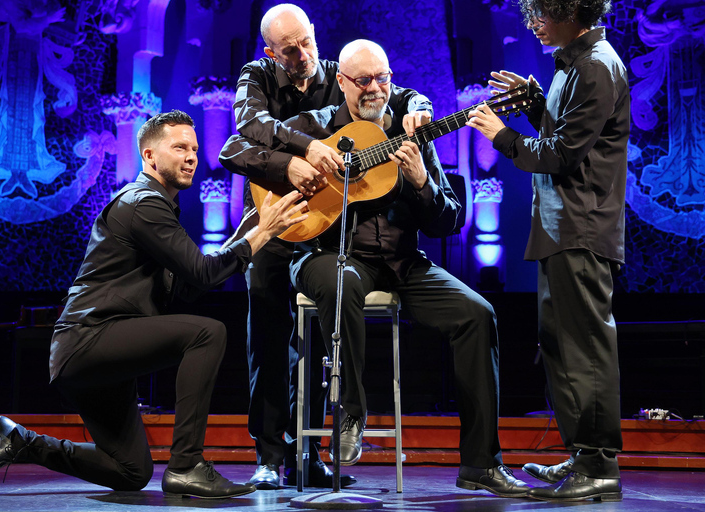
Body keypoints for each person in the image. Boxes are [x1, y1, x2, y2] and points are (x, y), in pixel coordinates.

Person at [224, 38, 529, 498]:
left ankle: (481, 463)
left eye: (382, 78)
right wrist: (294, 162)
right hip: (329, 255)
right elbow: (237, 146)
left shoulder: (412, 131)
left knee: (478, 314)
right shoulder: (316, 124)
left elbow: (449, 220)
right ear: (341, 82)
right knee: (340, 281)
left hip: (403, 263)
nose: (374, 88)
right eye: (362, 80)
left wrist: (422, 183)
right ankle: (350, 412)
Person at [0, 110, 308, 499]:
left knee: (130, 470)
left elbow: (187, 287)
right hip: (88, 341)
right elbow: (203, 272)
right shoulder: (142, 202)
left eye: (195, 148)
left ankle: (16, 440)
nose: (192, 156)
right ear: (149, 156)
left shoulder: (158, 206)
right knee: (207, 333)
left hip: (98, 354)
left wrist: (249, 232)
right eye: (179, 147)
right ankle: (186, 465)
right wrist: (262, 231)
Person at [218, 3, 432, 490]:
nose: (302, 55)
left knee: (318, 345)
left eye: (307, 42)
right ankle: (270, 454)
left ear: (315, 34)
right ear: (271, 52)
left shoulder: (339, 75)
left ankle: (309, 454)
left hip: (328, 227)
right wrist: (296, 158)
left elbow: (398, 92)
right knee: (270, 339)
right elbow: (242, 137)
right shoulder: (257, 77)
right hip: (276, 219)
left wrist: (420, 105)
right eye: (289, 50)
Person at [467, 0, 628, 502]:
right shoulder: (574, 66)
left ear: (570, 10)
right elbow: (564, 136)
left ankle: (599, 465)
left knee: (586, 351)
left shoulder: (597, 66)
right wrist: (537, 103)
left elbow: (559, 156)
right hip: (562, 229)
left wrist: (503, 136)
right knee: (559, 347)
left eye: (540, 13)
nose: (533, 23)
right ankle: (583, 456)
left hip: (582, 228)